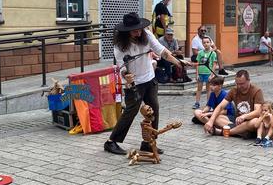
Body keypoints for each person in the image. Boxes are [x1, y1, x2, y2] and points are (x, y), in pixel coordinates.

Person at [104, 13, 192, 156]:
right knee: (130, 112)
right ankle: (111, 142)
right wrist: (127, 76)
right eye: (134, 30)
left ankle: (148, 143)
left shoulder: (147, 35)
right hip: (134, 84)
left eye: (139, 29)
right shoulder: (120, 46)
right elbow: (122, 67)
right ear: (126, 32)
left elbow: (162, 51)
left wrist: (179, 62)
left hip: (150, 79)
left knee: (154, 110)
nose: (138, 32)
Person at [205, 70, 263, 137]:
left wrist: (244, 116)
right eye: (237, 83)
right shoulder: (234, 90)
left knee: (255, 121)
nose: (239, 86)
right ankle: (241, 131)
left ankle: (224, 132)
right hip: (237, 122)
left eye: (241, 84)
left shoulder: (256, 91)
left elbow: (258, 111)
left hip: (250, 121)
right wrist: (210, 121)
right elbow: (220, 106)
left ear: (248, 80)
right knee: (216, 118)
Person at [193, 36, 217, 109]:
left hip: (208, 73)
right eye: (204, 42)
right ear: (202, 44)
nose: (206, 44)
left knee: (208, 89)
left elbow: (214, 64)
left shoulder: (213, 53)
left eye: (207, 42)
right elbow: (197, 63)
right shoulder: (200, 53)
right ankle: (197, 103)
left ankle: (208, 104)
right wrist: (196, 74)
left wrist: (212, 74)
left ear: (210, 43)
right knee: (199, 88)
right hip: (201, 73)